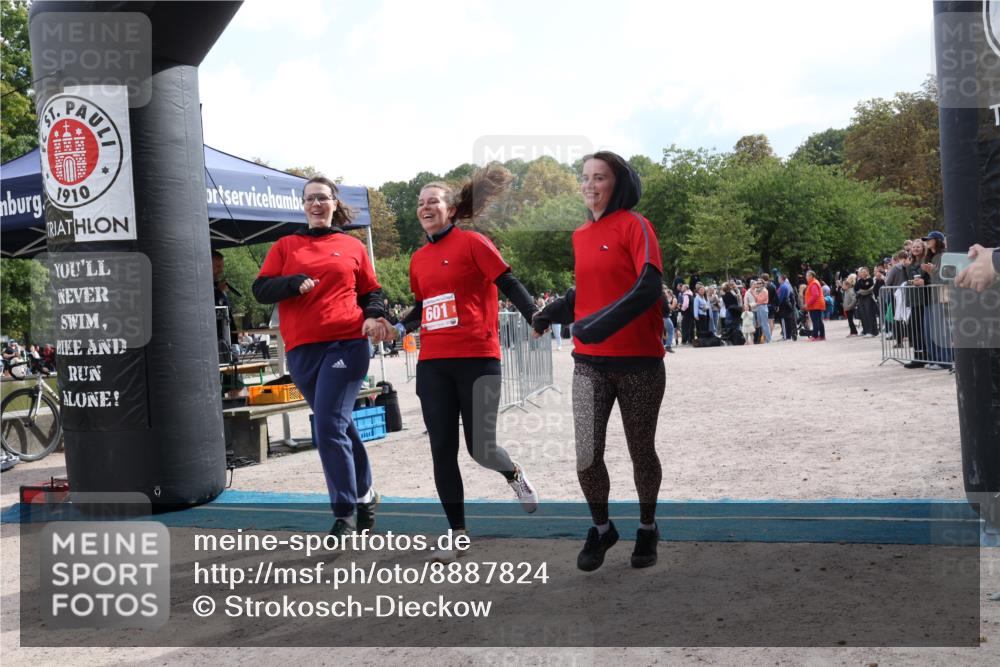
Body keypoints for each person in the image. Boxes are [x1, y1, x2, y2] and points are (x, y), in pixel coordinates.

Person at [533, 151, 665, 571]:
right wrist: (552, 311)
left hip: (639, 360)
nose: (589, 185)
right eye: (584, 177)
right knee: (586, 454)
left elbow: (648, 289)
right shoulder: (580, 235)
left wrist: (599, 325)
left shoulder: (636, 225)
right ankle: (603, 528)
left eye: (600, 177)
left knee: (640, 449)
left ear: (619, 183)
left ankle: (647, 528)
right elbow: (587, 293)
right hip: (589, 363)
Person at [403, 165, 539, 562]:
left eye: (433, 201)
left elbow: (508, 282)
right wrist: (395, 324)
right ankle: (457, 533)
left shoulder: (474, 243)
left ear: (450, 208)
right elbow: (423, 307)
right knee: (441, 450)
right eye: (421, 202)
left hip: (478, 359)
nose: (426, 207)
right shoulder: (418, 259)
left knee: (480, 447)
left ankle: (513, 474)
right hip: (434, 364)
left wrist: (535, 316)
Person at [252, 176, 396, 536]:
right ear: (303, 206)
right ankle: (365, 494)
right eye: (310, 199)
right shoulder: (286, 246)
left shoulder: (351, 246)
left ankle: (343, 511)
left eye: (323, 198)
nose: (316, 204)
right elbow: (260, 289)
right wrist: (290, 283)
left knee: (328, 424)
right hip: (301, 351)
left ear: (334, 204)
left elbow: (372, 292)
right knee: (340, 424)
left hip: (345, 344)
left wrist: (371, 316)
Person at [804, 270, 826, 340]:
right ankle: (822, 336)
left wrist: (807, 304)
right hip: (817, 305)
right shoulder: (813, 283)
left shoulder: (813, 284)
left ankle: (815, 336)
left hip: (815, 305)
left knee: (815, 321)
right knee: (819, 321)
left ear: (811, 276)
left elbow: (815, 295)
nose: (806, 277)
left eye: (807, 275)